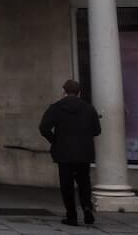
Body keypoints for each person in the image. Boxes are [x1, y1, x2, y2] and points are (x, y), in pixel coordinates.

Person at [39, 79, 101, 227]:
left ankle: (71, 215)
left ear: (64, 91)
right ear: (79, 92)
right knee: (84, 182)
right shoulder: (89, 108)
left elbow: (44, 128)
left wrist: (55, 140)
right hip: (83, 152)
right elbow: (97, 131)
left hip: (64, 152)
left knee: (66, 185)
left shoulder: (56, 107)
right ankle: (86, 207)